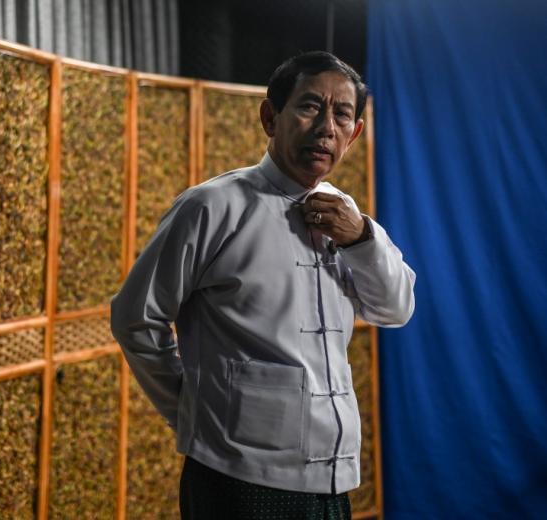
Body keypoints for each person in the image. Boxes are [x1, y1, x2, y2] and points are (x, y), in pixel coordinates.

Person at [110, 51, 415, 520]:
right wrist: (192, 413)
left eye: (342, 114)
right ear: (270, 117)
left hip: (333, 477)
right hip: (236, 474)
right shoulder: (212, 207)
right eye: (310, 106)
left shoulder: (346, 215)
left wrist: (362, 239)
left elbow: (395, 310)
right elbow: (135, 316)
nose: (326, 127)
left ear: (354, 134)